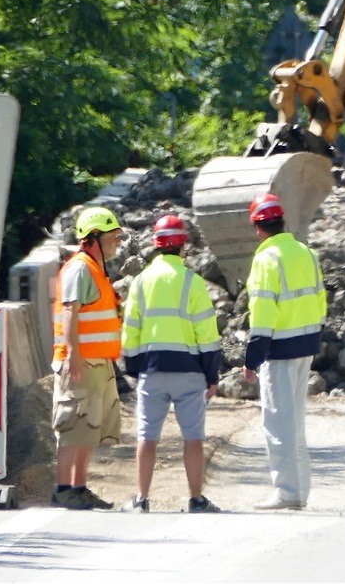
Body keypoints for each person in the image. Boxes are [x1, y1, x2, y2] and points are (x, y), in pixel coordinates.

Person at [120, 214, 223, 513]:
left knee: (147, 436)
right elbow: (206, 331)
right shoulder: (193, 282)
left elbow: (131, 328)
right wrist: (211, 373)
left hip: (151, 370)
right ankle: (196, 499)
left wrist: (134, 367)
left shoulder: (140, 282)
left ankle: (141, 499)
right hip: (189, 371)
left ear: (156, 245)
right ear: (183, 246)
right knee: (193, 437)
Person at [241, 192, 328, 511]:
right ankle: (300, 490)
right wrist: (314, 334)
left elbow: (263, 310)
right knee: (296, 421)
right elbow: (321, 299)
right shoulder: (305, 252)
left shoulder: (266, 259)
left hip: (278, 349)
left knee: (278, 422)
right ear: (282, 221)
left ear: (257, 227)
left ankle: (287, 492)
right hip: (306, 344)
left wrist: (253, 355)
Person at [51, 206, 125, 510]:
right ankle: (63, 489)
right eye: (113, 236)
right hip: (81, 362)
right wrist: (74, 355)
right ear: (94, 237)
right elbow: (70, 311)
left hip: (97, 362)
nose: (117, 242)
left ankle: (79, 487)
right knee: (72, 426)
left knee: (89, 427)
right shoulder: (80, 268)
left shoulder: (94, 268)